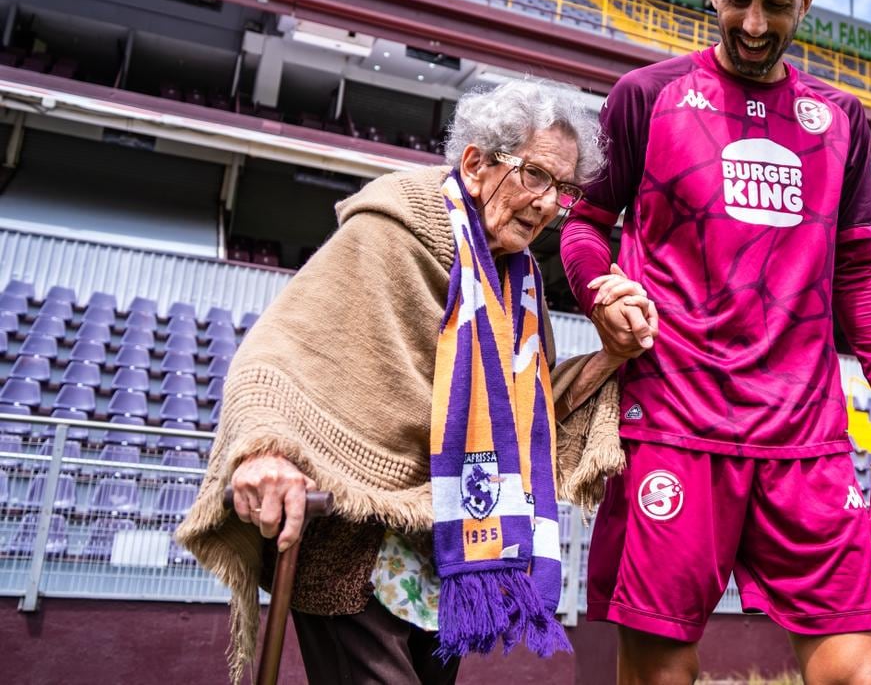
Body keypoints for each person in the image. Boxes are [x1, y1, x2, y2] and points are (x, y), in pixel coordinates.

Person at [559, 0, 871, 685]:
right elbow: (585, 225)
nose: (755, 22)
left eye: (776, 1)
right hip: (674, 420)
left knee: (860, 672)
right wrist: (601, 292)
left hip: (806, 433)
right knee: (662, 675)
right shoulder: (646, 95)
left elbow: (857, 273)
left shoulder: (839, 120)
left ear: (807, 0)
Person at [177, 79, 654, 685]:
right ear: (477, 163)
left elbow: (526, 412)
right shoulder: (391, 231)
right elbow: (279, 353)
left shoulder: (519, 281)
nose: (548, 203)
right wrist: (263, 451)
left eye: (562, 189)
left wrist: (612, 352)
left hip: (446, 559)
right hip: (355, 544)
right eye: (535, 175)